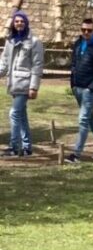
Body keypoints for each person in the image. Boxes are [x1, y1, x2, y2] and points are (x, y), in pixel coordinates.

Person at [65, 17, 93, 163]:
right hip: (78, 87)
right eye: (83, 29)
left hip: (90, 89)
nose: (86, 32)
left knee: (83, 119)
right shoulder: (78, 44)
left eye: (89, 30)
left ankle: (76, 155)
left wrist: (92, 87)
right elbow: (74, 64)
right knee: (90, 118)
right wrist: (72, 83)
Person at [0, 11, 44, 157]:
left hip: (25, 83)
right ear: (13, 23)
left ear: (26, 23)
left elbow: (37, 65)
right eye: (17, 21)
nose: (19, 23)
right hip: (13, 84)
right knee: (21, 115)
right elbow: (4, 63)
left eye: (22, 21)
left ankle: (14, 147)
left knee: (14, 113)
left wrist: (33, 87)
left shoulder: (35, 42)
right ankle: (27, 147)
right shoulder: (10, 41)